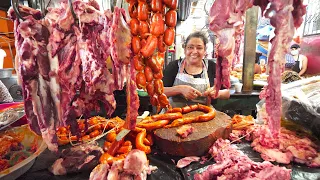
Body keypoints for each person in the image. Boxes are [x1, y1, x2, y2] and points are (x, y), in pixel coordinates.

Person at [162, 31, 230, 108]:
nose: (194, 51)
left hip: (204, 114)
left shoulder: (212, 67)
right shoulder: (174, 66)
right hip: (175, 114)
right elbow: (160, 91)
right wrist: (179, 89)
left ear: (205, 50)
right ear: (185, 50)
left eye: (199, 48)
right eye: (190, 47)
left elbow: (227, 93)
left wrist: (218, 93)